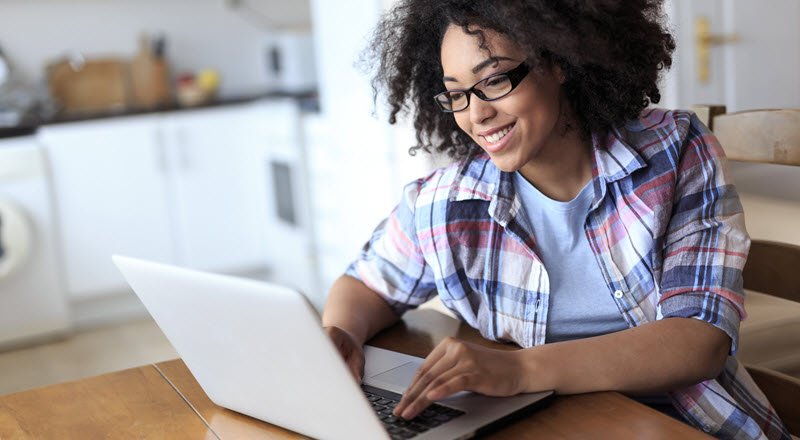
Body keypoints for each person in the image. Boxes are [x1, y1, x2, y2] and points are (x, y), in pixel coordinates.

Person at [321, 1, 790, 439]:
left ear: (561, 59)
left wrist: (520, 371)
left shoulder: (676, 151)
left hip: (684, 425)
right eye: (457, 95)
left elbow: (699, 341)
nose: (478, 114)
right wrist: (341, 337)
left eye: (496, 80)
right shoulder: (449, 200)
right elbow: (366, 285)